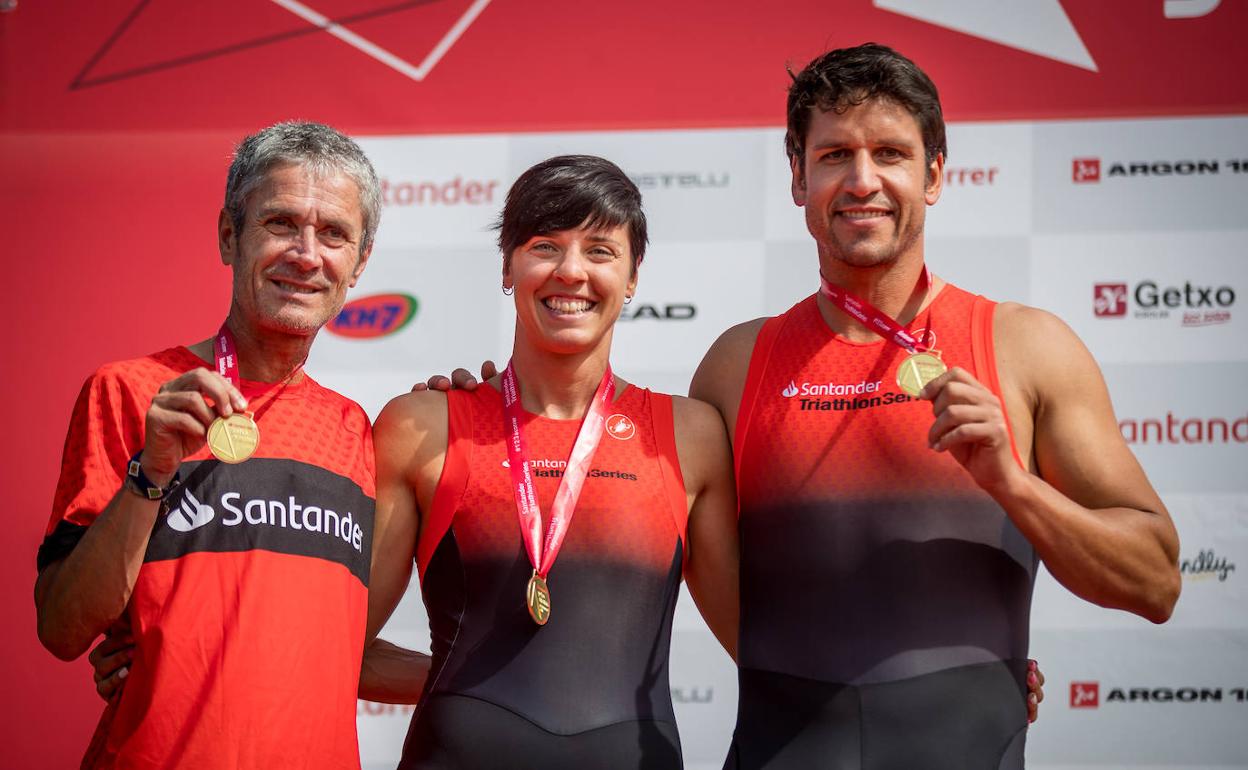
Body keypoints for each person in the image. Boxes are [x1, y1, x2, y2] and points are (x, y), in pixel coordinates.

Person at [686, 43, 1181, 768]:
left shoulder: (1024, 347)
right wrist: (474, 412)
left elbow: (1157, 583)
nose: (863, 181)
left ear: (936, 175)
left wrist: (1014, 483)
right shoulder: (736, 366)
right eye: (833, 157)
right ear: (797, 178)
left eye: (891, 153)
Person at [361, 155, 740, 768]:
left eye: (600, 250)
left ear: (634, 275)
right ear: (508, 266)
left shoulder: (690, 435)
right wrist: (468, 686)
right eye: (544, 246)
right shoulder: (421, 427)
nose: (571, 272)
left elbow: (762, 650)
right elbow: (337, 649)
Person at [35, 121, 381, 769]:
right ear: (230, 236)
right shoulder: (130, 390)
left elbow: (342, 655)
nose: (307, 254)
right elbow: (61, 628)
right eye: (280, 223)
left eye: (334, 233)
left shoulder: (357, 432)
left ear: (359, 264)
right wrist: (152, 470)